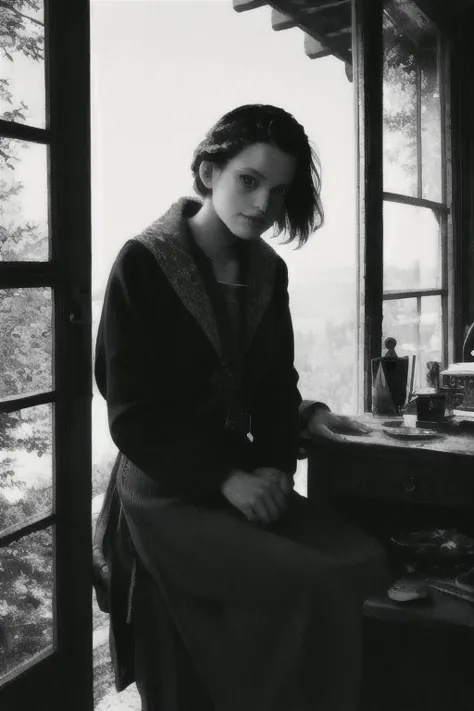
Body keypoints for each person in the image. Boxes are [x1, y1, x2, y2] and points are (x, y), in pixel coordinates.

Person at [94, 104, 393, 711]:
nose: (262, 205)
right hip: (166, 486)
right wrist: (226, 478)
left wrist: (278, 467)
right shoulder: (144, 263)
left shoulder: (267, 269)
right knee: (308, 582)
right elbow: (130, 413)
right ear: (209, 172)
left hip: (245, 470)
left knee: (366, 560)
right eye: (248, 181)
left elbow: (275, 386)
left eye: (278, 191)